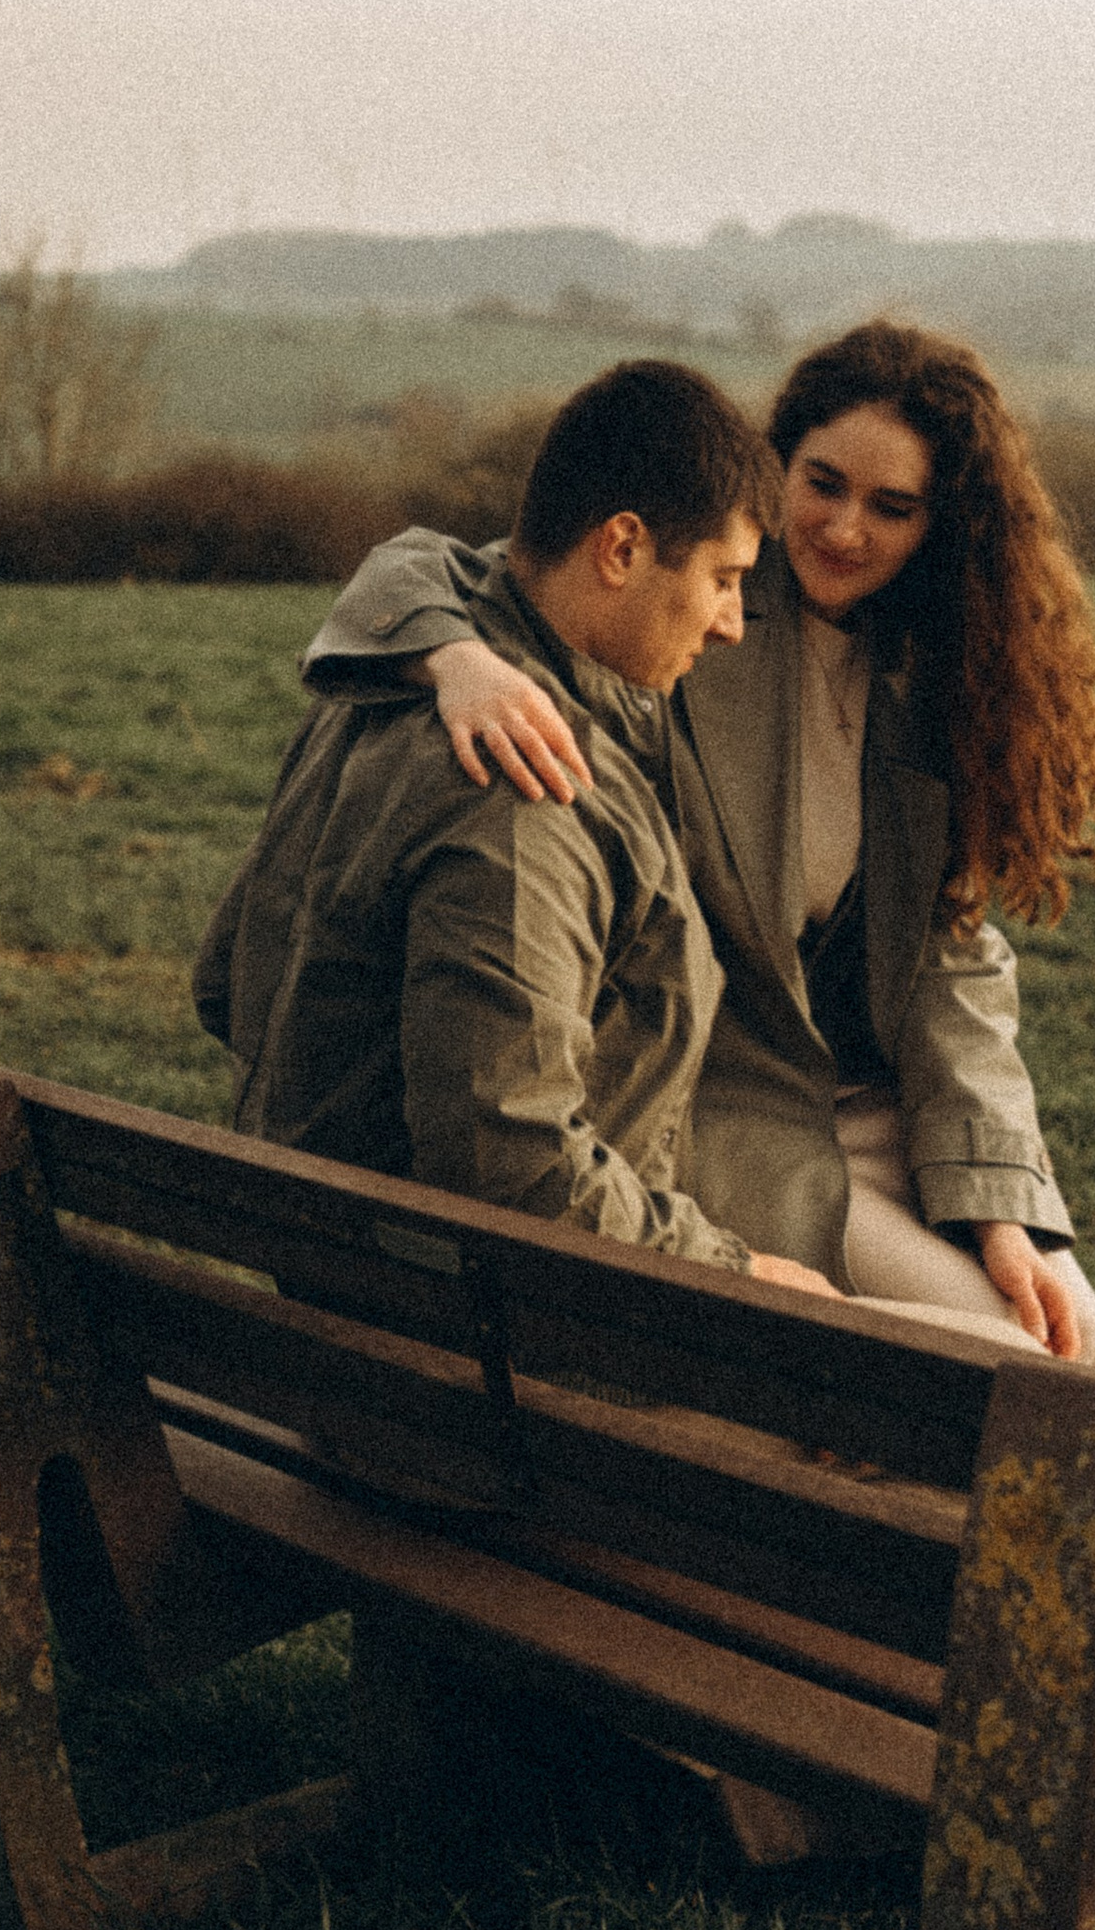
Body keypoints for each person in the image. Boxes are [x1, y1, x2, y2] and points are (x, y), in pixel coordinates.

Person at [303, 322, 1095, 1365]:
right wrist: (453, 660)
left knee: (1079, 1345)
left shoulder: (944, 674)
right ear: (777, 463)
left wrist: (999, 1205)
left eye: (891, 507)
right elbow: (436, 567)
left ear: (941, 523)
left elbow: (949, 954)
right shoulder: (694, 592)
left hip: (868, 1097)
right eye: (820, 484)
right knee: (995, 1379)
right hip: (711, 1095)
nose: (841, 529)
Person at [194, 362, 832, 1287]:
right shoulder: (524, 787)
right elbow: (517, 1171)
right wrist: (739, 1273)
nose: (734, 622)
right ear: (620, 549)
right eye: (726, 579)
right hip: (501, 1351)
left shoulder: (378, 685)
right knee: (976, 1390)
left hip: (335, 1288)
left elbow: (225, 982)